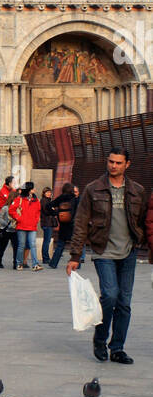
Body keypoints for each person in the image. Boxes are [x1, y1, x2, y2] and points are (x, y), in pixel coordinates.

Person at [67, 149, 147, 364]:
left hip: (128, 251)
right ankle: (100, 339)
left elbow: (143, 222)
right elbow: (81, 223)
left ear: (127, 164)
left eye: (118, 163)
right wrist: (75, 255)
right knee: (110, 295)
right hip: (104, 251)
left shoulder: (137, 190)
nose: (113, 166)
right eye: (111, 162)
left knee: (124, 302)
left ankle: (117, 348)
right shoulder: (93, 189)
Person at [9, 183, 42, 269]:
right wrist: (19, 218)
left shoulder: (36, 200)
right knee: (21, 245)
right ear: (28, 190)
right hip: (21, 226)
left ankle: (35, 264)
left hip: (32, 226)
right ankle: (19, 264)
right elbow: (11, 211)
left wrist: (36, 220)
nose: (34, 189)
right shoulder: (18, 199)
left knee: (33, 245)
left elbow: (38, 211)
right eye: (32, 188)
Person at [48, 182, 78, 269]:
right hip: (73, 224)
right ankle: (76, 264)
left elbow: (48, 206)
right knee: (75, 245)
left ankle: (53, 263)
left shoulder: (60, 198)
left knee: (60, 245)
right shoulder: (74, 199)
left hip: (63, 225)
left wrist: (56, 213)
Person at [0, 188, 19, 268]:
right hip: (5, 230)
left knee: (16, 248)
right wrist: (6, 224)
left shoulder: (18, 208)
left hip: (14, 230)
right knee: (2, 247)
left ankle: (15, 263)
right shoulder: (5, 208)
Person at [39, 187, 56, 264]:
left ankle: (46, 257)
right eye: (47, 192)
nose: (49, 193)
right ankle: (45, 258)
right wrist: (53, 210)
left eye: (50, 192)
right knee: (46, 241)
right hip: (46, 223)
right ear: (44, 193)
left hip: (48, 223)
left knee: (47, 241)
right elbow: (46, 211)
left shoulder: (48, 200)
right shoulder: (44, 200)